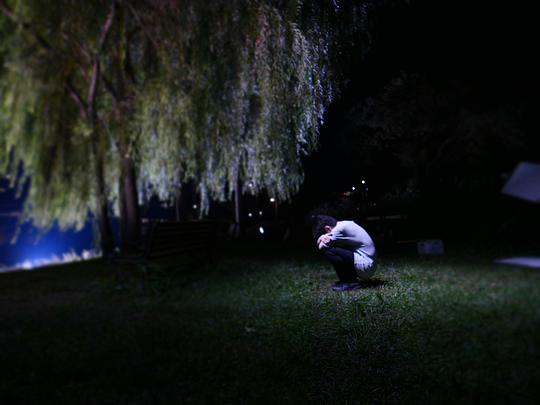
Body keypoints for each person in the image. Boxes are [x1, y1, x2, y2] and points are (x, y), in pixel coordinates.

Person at [312, 214, 376, 292]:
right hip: (368, 264)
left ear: (327, 229)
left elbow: (321, 246)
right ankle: (347, 280)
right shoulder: (345, 224)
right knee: (337, 248)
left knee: (330, 250)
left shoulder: (339, 229)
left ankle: (350, 282)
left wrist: (321, 237)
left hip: (365, 266)